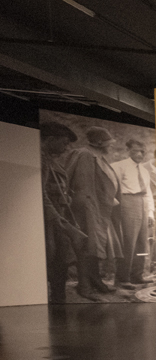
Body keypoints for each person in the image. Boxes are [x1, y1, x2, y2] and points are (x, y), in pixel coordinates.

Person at [67, 126, 121, 301]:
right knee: (86, 246)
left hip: (98, 208)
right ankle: (84, 287)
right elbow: (84, 187)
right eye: (108, 143)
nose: (111, 146)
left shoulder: (98, 156)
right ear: (98, 143)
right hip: (87, 208)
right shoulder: (85, 155)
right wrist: (91, 211)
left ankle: (96, 280)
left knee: (96, 246)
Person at [40, 122, 83, 303]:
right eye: (64, 143)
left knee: (60, 260)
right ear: (50, 139)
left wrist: (67, 197)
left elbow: (55, 188)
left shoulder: (50, 160)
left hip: (57, 216)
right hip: (49, 220)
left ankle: (58, 299)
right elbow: (41, 194)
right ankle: (55, 302)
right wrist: (57, 218)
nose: (66, 148)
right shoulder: (40, 161)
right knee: (53, 260)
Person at [111, 139, 152, 289]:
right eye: (136, 151)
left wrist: (151, 213)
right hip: (127, 202)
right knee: (128, 241)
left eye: (143, 151)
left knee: (142, 242)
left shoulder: (144, 171)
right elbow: (112, 188)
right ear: (128, 150)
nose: (140, 154)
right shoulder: (119, 166)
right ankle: (122, 278)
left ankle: (137, 275)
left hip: (142, 204)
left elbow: (147, 193)